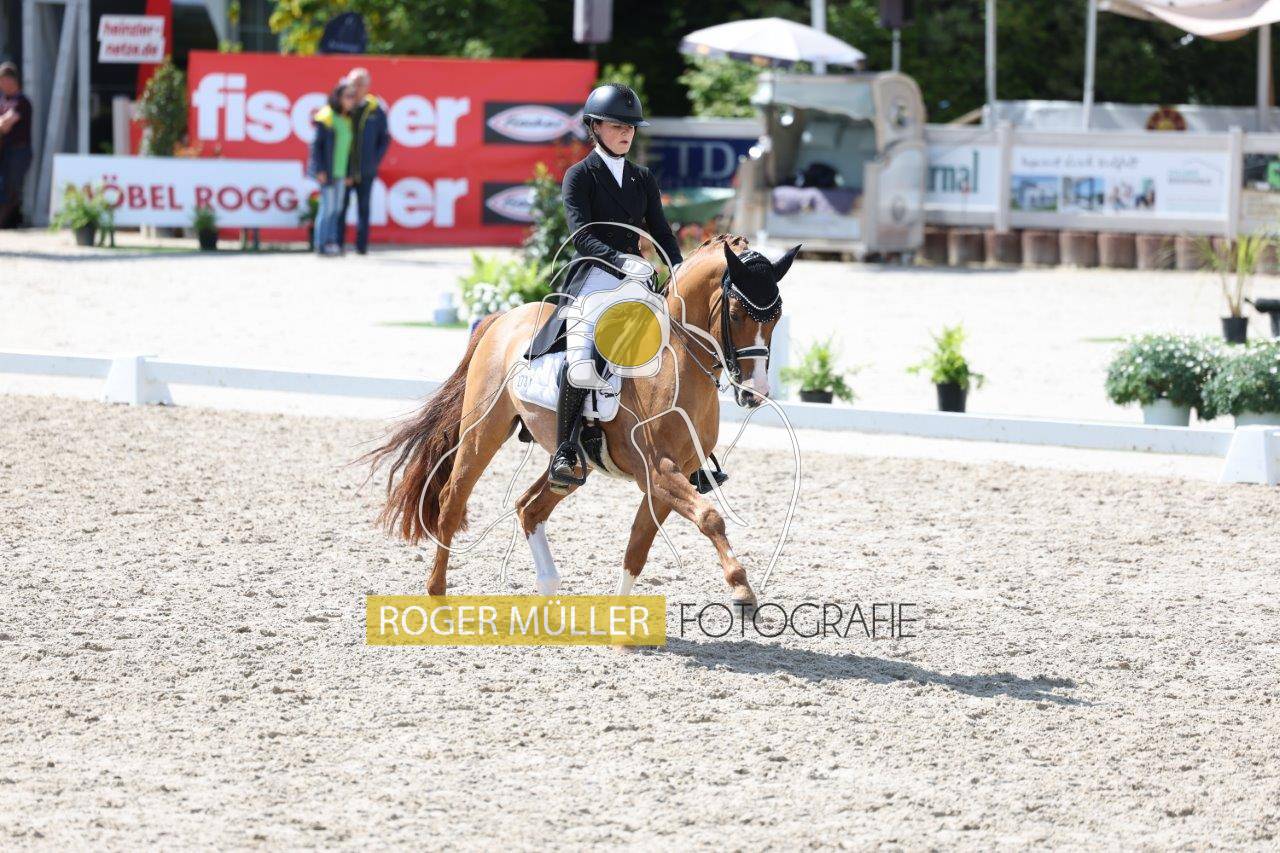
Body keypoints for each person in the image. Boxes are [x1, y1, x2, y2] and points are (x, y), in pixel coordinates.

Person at [522, 83, 683, 487]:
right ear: (594, 127)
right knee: (582, 352)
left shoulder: (642, 178)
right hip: (596, 275)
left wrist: (679, 266)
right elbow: (582, 235)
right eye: (617, 126)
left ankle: (692, 445)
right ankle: (565, 448)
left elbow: (660, 230)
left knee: (679, 338)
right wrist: (621, 259)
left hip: (637, 278)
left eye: (631, 127)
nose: (626, 133)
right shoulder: (580, 176)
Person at [339, 68, 389, 255]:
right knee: (340, 207)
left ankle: (361, 247)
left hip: (366, 169)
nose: (358, 88)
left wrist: (374, 161)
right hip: (343, 168)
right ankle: (337, 244)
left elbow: (384, 139)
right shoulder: (342, 107)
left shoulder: (375, 109)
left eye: (361, 84)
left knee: (364, 208)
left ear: (368, 86)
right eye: (354, 83)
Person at [308, 82, 357, 256]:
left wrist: (349, 173)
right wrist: (319, 169)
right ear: (338, 98)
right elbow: (316, 146)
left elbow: (348, 149)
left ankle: (332, 242)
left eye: (353, 96)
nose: (351, 100)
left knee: (337, 209)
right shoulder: (327, 117)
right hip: (328, 172)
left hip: (341, 172)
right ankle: (321, 244)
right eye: (348, 96)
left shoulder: (347, 119)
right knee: (327, 209)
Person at [0, 62, 34, 229]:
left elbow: (6, 124)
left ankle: (7, 222)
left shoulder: (21, 101)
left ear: (12, 80)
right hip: (4, 151)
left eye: (3, 80)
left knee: (12, 187)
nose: (1, 85)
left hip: (19, 151)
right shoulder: (2, 100)